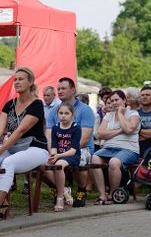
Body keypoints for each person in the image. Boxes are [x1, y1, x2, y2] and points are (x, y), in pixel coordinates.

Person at [0, 67, 49, 227]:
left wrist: (1, 149)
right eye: (15, 79)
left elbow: (20, 131)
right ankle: (3, 203)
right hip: (14, 148)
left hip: (36, 149)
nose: (16, 82)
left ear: (30, 82)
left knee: (8, 163)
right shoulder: (9, 104)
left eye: (21, 79)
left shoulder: (37, 104)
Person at [46, 77, 95, 207]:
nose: (60, 91)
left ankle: (81, 190)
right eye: (58, 89)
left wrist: (65, 154)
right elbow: (49, 136)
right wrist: (52, 152)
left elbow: (83, 139)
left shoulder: (85, 110)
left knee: (80, 159)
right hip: (59, 149)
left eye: (63, 88)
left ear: (73, 90)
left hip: (81, 148)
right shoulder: (53, 111)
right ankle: (61, 189)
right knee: (41, 162)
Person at [90, 90, 141, 205]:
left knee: (114, 162)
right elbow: (100, 134)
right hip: (109, 147)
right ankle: (102, 194)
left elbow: (128, 129)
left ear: (124, 100)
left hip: (129, 149)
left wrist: (120, 114)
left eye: (116, 100)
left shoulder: (133, 114)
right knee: (94, 159)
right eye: (112, 101)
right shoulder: (108, 115)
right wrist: (119, 130)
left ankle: (112, 194)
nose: (114, 103)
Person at [47, 103, 80, 212]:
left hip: (72, 156)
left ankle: (60, 197)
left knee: (58, 165)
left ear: (72, 114)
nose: (63, 116)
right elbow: (54, 146)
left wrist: (58, 156)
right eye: (61, 113)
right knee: (46, 165)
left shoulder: (76, 128)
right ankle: (65, 190)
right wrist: (53, 155)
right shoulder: (55, 128)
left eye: (66, 113)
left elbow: (73, 150)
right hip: (58, 155)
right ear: (57, 114)